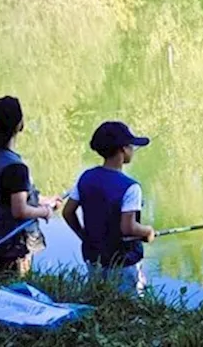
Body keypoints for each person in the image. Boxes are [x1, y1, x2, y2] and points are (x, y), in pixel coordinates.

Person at [0, 96, 62, 276]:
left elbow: (6, 195)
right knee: (15, 287)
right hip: (10, 248)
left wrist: (44, 200)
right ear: (20, 126)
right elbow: (20, 210)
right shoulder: (15, 167)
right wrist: (45, 212)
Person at [61, 121, 155, 295]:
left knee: (99, 297)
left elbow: (67, 212)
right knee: (128, 304)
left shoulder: (86, 177)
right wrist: (147, 232)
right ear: (122, 150)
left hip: (94, 258)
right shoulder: (131, 187)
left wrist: (84, 236)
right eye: (131, 146)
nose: (133, 150)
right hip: (123, 262)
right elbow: (128, 228)